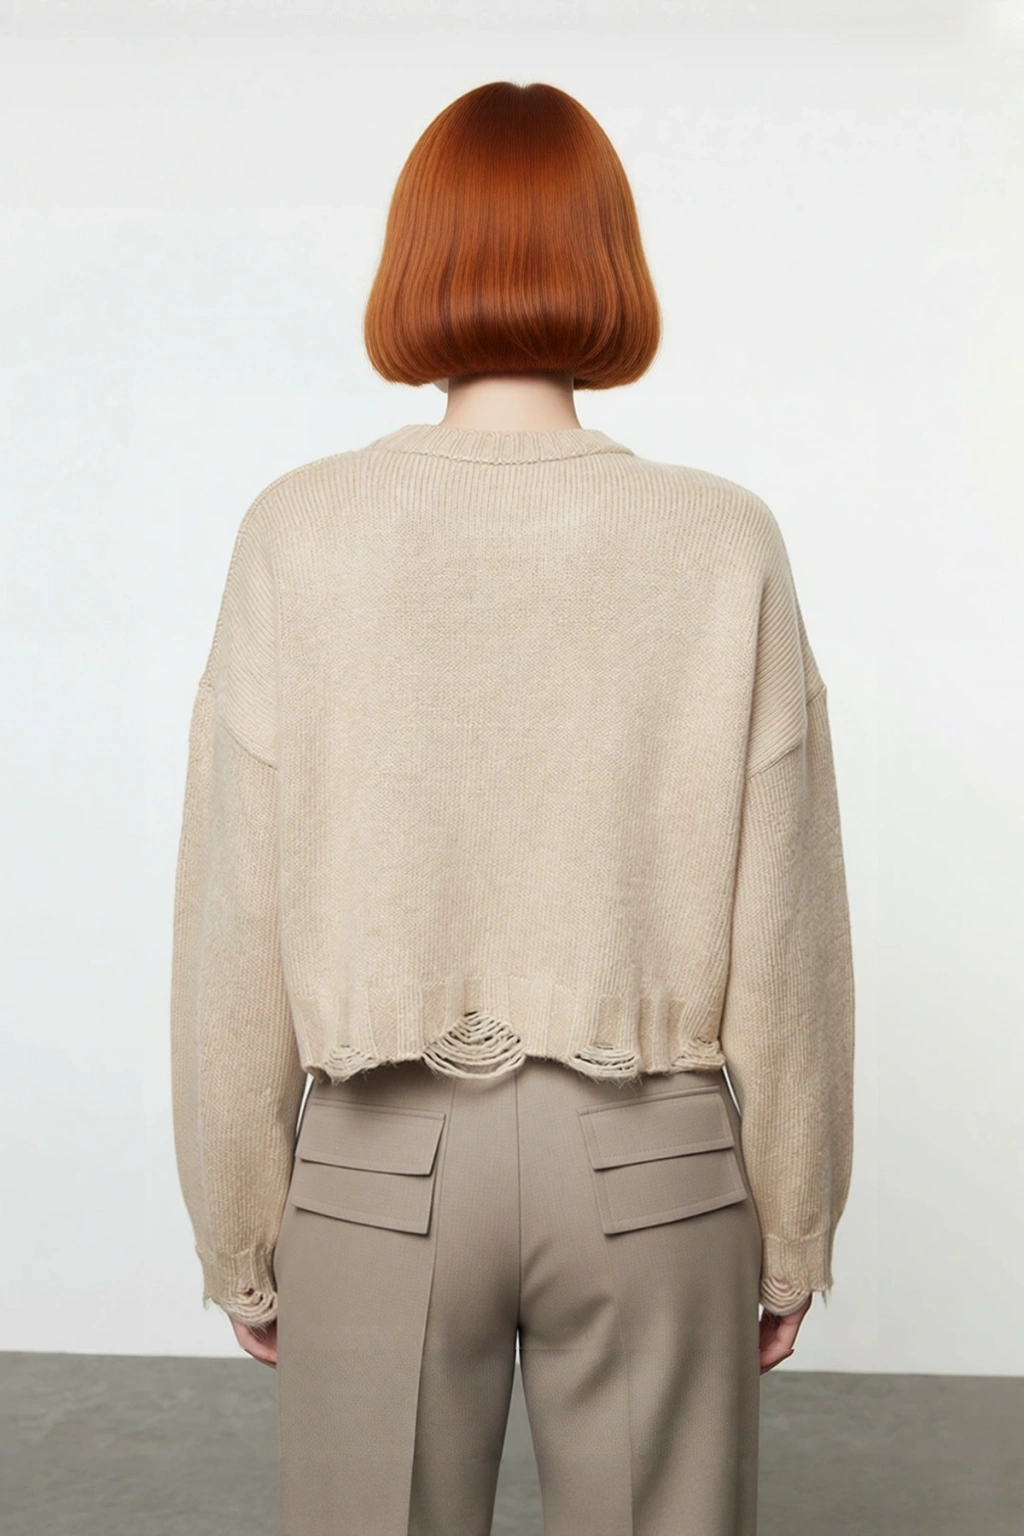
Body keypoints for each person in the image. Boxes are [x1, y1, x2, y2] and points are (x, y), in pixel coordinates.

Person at [170, 80, 854, 1536]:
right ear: (613, 259)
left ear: (415, 258)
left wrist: (239, 1227)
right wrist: (795, 1227)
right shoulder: (721, 538)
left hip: (374, 1165)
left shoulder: (301, 531)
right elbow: (787, 929)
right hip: (654, 1170)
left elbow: (235, 913)